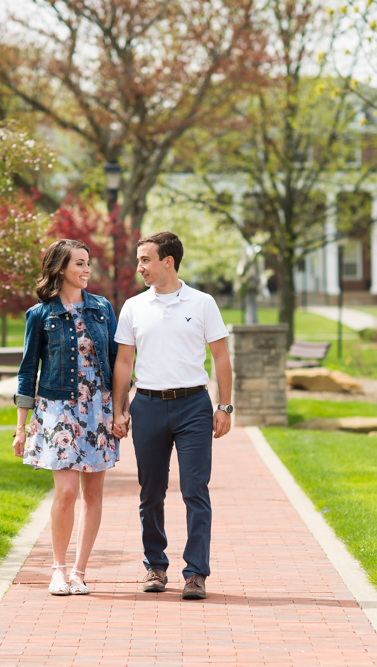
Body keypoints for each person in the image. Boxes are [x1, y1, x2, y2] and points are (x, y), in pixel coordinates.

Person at [111, 231, 233, 601]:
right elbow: (124, 361)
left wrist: (224, 406)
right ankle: (155, 566)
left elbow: (221, 357)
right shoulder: (134, 306)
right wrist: (120, 408)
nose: (139, 267)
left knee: (196, 490)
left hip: (193, 406)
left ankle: (195, 573)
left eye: (146, 260)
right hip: (146, 404)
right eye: (138, 260)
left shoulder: (203, 303)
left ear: (169, 261)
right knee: (150, 492)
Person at [12, 239, 120, 596]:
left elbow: (120, 364)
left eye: (88, 263)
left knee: (93, 494)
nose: (87, 270)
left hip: (98, 409)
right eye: (79, 264)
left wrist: (121, 410)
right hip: (57, 408)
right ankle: (57, 570)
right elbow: (28, 371)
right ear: (60, 268)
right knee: (68, 491)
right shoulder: (40, 315)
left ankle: (79, 571)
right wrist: (20, 427)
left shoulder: (103, 308)